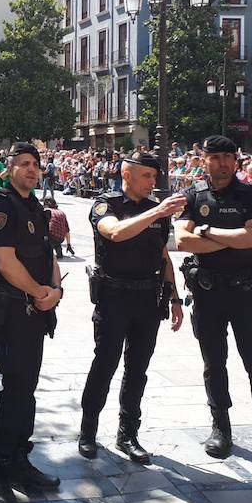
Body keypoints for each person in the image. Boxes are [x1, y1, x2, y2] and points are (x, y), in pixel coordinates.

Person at [174, 135, 252, 475]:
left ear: (236, 161)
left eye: (228, 156)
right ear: (204, 160)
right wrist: (228, 237)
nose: (223, 162)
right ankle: (221, 427)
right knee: (214, 364)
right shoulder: (193, 196)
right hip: (208, 294)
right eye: (216, 157)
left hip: (245, 294)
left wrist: (206, 232)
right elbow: (182, 240)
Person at [78, 152, 185, 464]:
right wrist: (158, 212)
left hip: (147, 299)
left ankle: (128, 433)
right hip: (113, 297)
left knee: (137, 369)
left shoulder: (156, 210)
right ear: (127, 175)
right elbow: (114, 232)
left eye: (154, 176)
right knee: (105, 364)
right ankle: (88, 430)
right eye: (147, 176)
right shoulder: (105, 204)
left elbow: (163, 256)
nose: (153, 182)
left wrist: (175, 297)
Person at [0, 142, 61, 503]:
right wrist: (41, 291)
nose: (31, 169)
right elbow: (6, 263)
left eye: (35, 164)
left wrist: (55, 290)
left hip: (36, 312)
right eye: (23, 163)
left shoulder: (35, 208)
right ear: (8, 168)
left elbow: (49, 254)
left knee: (27, 390)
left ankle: (21, 464)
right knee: (15, 390)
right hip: (11, 313)